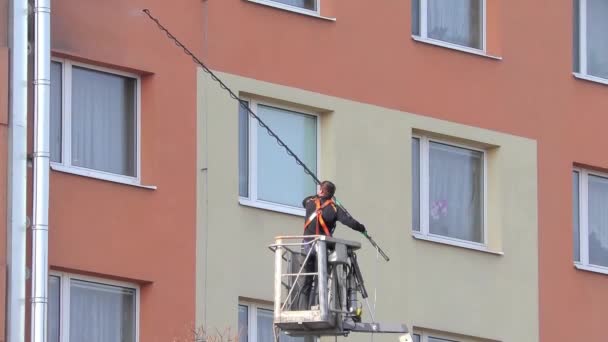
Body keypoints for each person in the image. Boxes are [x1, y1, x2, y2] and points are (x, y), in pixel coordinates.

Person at [292, 180, 367, 310]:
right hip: (322, 247)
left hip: (307, 245)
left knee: (307, 279)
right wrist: (362, 228)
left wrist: (320, 197)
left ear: (321, 191)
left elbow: (303, 201)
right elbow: (350, 222)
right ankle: (319, 306)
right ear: (331, 194)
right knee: (322, 278)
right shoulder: (334, 208)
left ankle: (303, 308)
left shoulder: (310, 202)